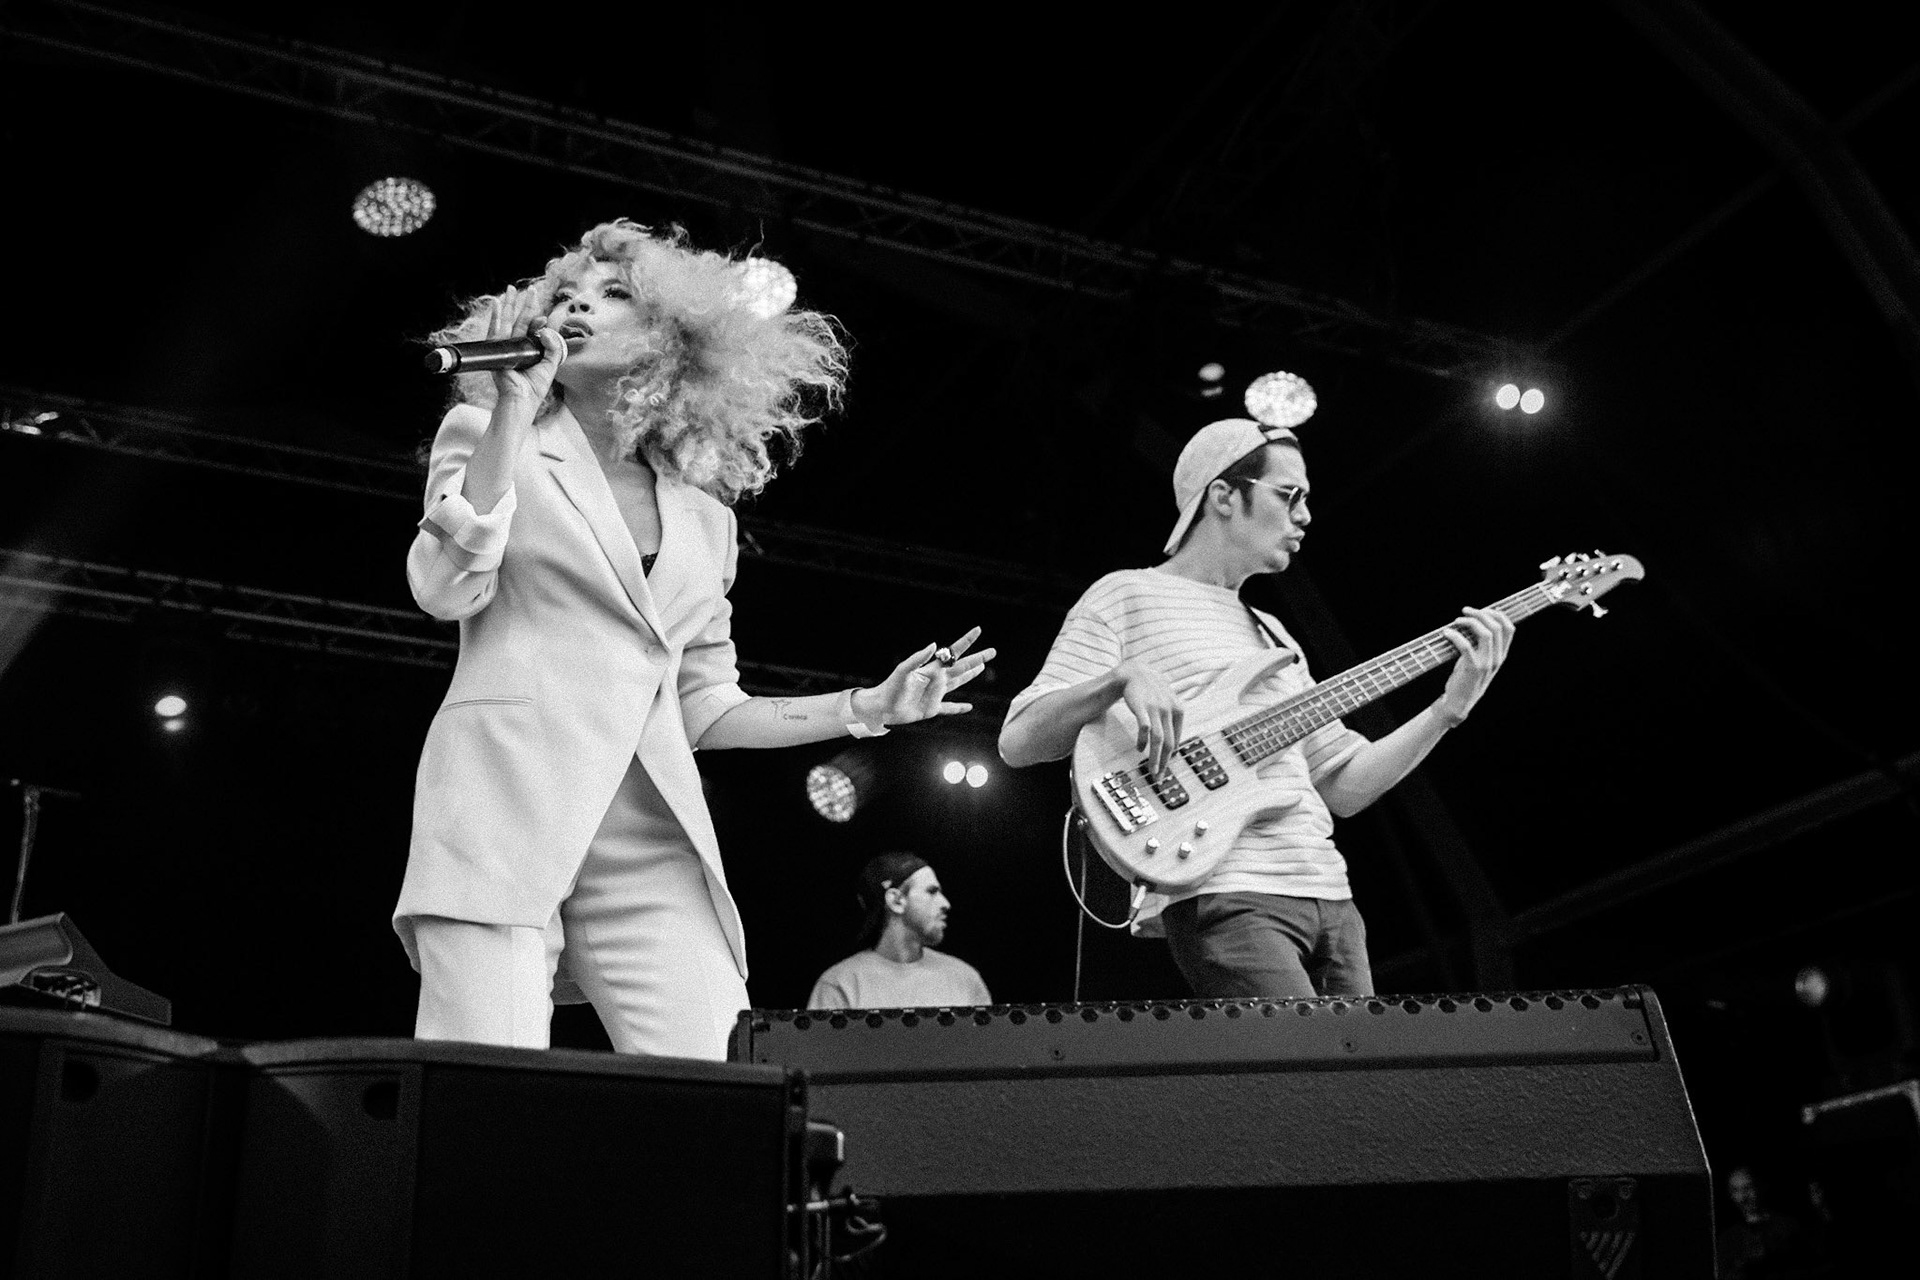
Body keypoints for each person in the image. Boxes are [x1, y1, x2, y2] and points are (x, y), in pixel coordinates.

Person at [395, 220, 993, 1060]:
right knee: (481, 1091)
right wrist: (511, 412)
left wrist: (868, 707)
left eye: (612, 299)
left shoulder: (704, 517)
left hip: (648, 836)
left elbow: (708, 706)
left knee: (717, 1086)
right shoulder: (490, 439)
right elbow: (444, 586)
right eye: (566, 297)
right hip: (503, 803)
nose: (578, 309)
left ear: (671, 345)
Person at [997, 417, 1512, 1000]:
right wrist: (1121, 678)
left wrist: (1448, 709)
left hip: (1330, 896)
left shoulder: (1275, 636)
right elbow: (1019, 741)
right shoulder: (1126, 595)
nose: (1305, 516)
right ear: (1223, 495)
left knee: (1368, 1081)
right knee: (1308, 1075)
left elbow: (1344, 784)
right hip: (1227, 892)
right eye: (1289, 495)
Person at [807, 852, 991, 1009]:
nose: (945, 904)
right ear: (896, 901)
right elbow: (820, 1051)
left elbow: (988, 1050)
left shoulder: (965, 980)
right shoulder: (840, 985)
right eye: (932, 891)